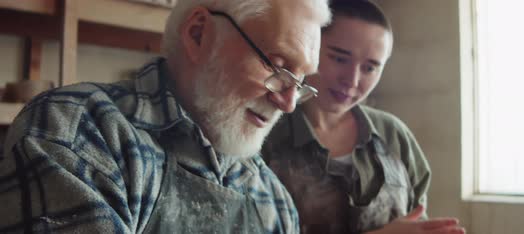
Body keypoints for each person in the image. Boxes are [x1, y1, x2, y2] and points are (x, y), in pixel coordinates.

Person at [0, 0, 331, 233]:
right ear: (198, 34)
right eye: (276, 66)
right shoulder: (79, 131)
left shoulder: (273, 199)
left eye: (301, 82)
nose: (288, 102)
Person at [262, 1, 466, 234]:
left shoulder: (393, 135)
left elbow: (418, 223)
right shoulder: (264, 132)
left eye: (370, 68)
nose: (352, 80)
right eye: (339, 58)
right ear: (311, 47)